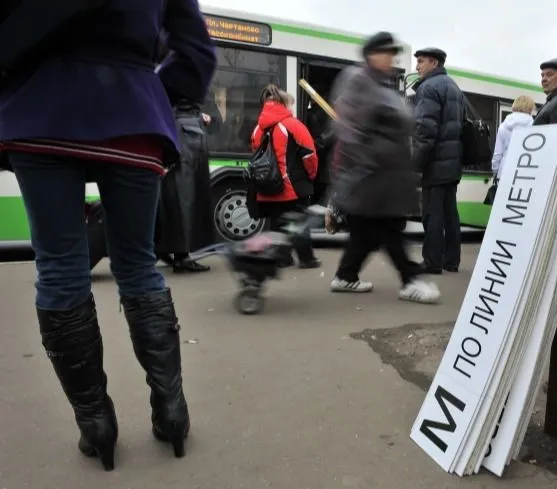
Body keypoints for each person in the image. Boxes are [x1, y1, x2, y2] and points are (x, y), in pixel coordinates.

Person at [0, 0, 215, 470]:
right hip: (134, 112)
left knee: (59, 268)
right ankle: (171, 413)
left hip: (42, 109)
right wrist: (153, 90)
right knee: (138, 264)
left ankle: (95, 424)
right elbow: (197, 52)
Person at [328, 32, 440, 304]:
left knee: (365, 231)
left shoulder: (378, 84)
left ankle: (346, 275)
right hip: (374, 174)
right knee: (388, 228)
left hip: (381, 172)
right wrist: (366, 162)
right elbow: (350, 128)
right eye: (387, 53)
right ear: (372, 55)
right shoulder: (359, 81)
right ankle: (409, 280)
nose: (392, 58)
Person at [155, 33, 215, 273]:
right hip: (187, 139)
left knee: (176, 197)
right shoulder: (181, 70)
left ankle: (169, 249)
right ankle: (181, 254)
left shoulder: (170, 68)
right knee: (185, 198)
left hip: (186, 134)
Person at [249, 84, 321, 269]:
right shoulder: (293, 125)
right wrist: (310, 176)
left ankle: (282, 257)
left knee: (277, 222)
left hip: (267, 185)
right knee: (299, 220)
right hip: (291, 186)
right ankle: (307, 259)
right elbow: (309, 155)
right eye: (291, 105)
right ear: (284, 105)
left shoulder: (258, 129)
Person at [411, 47, 465, 274]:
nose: (417, 67)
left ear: (434, 63)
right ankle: (451, 260)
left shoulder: (429, 88)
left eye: (421, 61)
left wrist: (416, 166)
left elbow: (425, 130)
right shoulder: (454, 87)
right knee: (450, 214)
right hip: (452, 163)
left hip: (435, 163)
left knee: (432, 215)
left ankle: (432, 262)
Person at [491, 95, 536, 179]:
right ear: (530, 108)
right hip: (524, 172)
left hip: (504, 171)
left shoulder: (503, 126)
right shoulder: (534, 126)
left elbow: (497, 154)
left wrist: (495, 171)